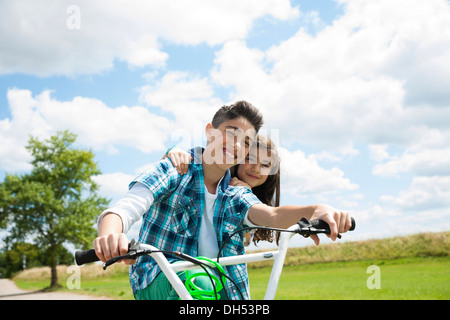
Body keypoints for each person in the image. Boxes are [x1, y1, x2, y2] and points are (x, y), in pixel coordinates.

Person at [94, 101, 352, 300]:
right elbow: (124, 209)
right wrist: (112, 236)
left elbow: (270, 216)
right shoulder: (175, 169)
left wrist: (319, 208)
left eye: (246, 142)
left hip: (221, 284)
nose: (237, 144)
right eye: (231, 133)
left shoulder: (235, 191)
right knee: (200, 283)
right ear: (210, 132)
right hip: (162, 276)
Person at [166, 134, 281, 246]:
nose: (256, 169)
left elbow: (243, 241)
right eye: (250, 159)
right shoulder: (218, 180)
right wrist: (172, 152)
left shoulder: (253, 197)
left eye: (265, 165)